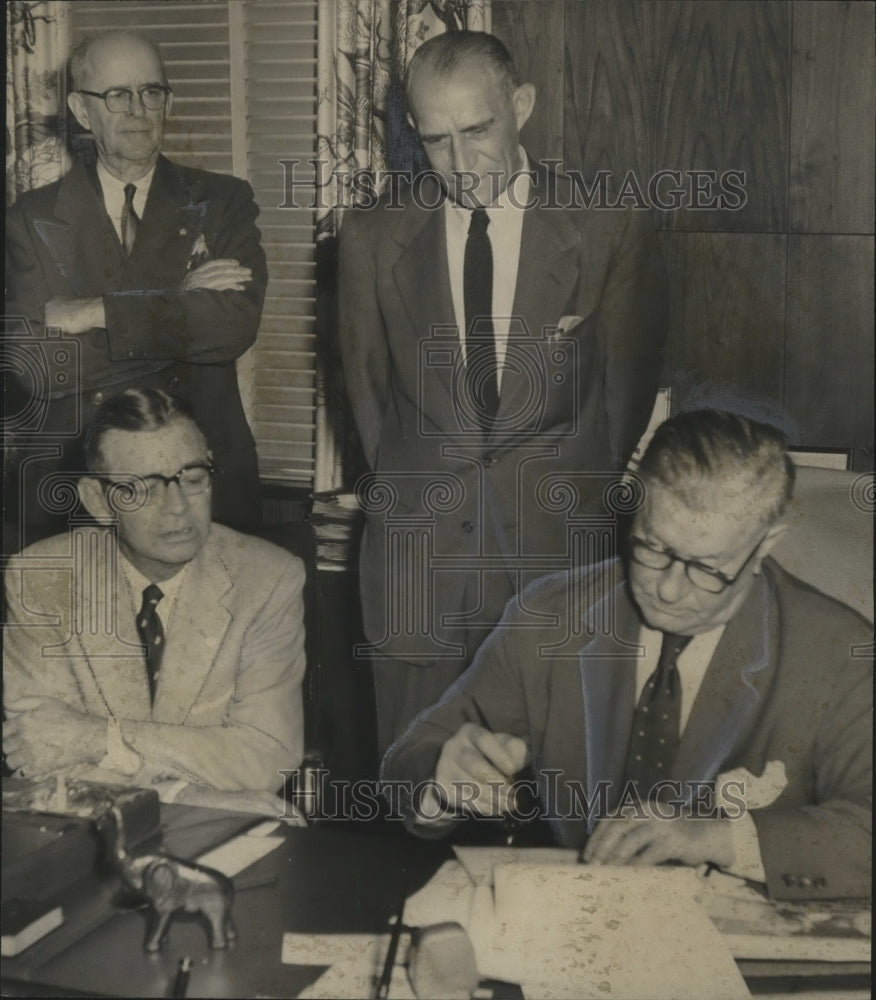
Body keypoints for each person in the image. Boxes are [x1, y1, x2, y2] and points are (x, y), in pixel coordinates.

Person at [381, 410, 873, 899]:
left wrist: (718, 838)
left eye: (707, 568)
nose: (669, 588)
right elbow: (410, 756)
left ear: (766, 545)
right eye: (653, 548)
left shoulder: (839, 656)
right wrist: (440, 781)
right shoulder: (549, 618)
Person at [339, 30, 668, 754]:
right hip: (419, 570)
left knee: (556, 815)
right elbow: (369, 397)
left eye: (477, 130)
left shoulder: (607, 224)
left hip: (556, 560)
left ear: (521, 105)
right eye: (435, 141)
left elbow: (621, 403)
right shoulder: (371, 235)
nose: (461, 163)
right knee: (415, 803)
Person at [5, 30, 266, 542]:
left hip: (198, 481)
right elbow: (33, 367)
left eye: (152, 92)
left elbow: (232, 327)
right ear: (82, 111)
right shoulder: (30, 218)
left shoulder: (223, 200)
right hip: (74, 483)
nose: (138, 110)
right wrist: (178, 300)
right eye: (117, 95)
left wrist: (92, 310)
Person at [3, 389, 305, 818]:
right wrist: (185, 796)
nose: (178, 507)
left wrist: (97, 739)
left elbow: (264, 758)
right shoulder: (42, 578)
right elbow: (39, 756)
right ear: (98, 502)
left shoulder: (268, 578)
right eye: (144, 488)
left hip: (216, 832)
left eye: (193, 478)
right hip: (90, 834)